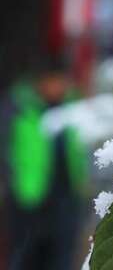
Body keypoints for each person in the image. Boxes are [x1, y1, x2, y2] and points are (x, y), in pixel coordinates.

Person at [0, 70, 88, 270]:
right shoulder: (19, 108)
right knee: (25, 255)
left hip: (66, 195)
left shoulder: (72, 107)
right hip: (28, 196)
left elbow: (81, 147)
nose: (58, 86)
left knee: (62, 255)